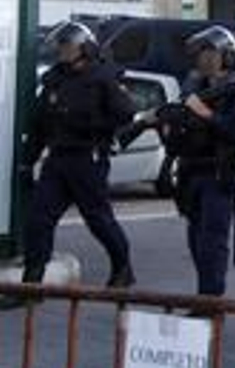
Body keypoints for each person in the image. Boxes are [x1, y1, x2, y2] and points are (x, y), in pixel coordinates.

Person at [1, 22, 138, 310]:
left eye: (67, 46)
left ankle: (122, 269)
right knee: (38, 220)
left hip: (88, 159)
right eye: (60, 46)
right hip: (58, 160)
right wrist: (27, 160)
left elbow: (126, 114)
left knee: (99, 220)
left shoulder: (103, 78)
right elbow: (38, 125)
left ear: (85, 49)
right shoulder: (55, 80)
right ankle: (32, 286)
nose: (61, 51)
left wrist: (94, 128)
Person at [164, 26, 235, 297]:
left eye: (211, 53)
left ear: (228, 56)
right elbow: (182, 128)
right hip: (190, 171)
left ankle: (210, 301)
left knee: (212, 241)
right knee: (195, 240)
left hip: (220, 172)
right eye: (201, 53)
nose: (204, 59)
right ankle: (203, 296)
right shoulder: (194, 84)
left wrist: (207, 114)